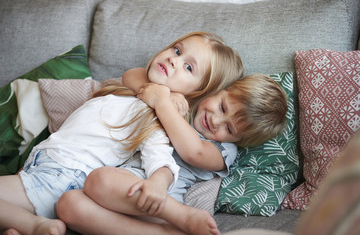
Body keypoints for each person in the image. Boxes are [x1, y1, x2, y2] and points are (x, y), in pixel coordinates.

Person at [0, 31, 244, 235]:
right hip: (47, 168)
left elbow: (159, 153)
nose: (173, 60)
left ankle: (32, 226)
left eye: (188, 67)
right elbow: (133, 74)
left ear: (198, 93)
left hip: (64, 173)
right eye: (177, 51)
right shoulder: (138, 94)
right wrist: (166, 95)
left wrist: (159, 180)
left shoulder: (155, 114)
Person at [56, 73, 289, 235]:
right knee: (68, 205)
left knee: (100, 179)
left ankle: (183, 217)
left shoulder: (223, 151)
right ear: (221, 90)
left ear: (239, 141)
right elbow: (132, 76)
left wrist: (163, 104)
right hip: (118, 198)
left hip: (157, 203)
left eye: (229, 129)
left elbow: (193, 152)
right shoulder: (184, 104)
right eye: (222, 107)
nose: (215, 121)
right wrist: (165, 93)